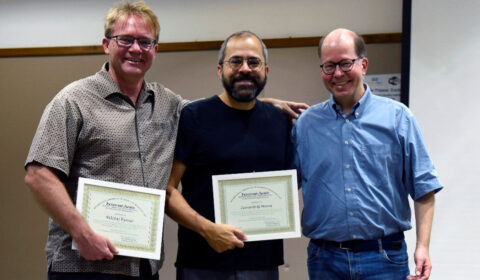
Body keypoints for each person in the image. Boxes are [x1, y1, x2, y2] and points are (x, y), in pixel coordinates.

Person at [23, 2, 307, 279]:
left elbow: (217, 112)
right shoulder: (73, 100)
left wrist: (264, 105)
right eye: (126, 40)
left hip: (144, 266)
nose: (136, 49)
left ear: (155, 50)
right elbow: (38, 175)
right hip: (84, 264)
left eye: (145, 42)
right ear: (106, 44)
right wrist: (81, 233)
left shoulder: (168, 103)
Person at [292, 28, 443, 280]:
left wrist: (423, 246)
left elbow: (424, 188)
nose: (337, 73)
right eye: (329, 66)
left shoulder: (398, 118)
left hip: (384, 259)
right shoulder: (306, 125)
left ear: (363, 64)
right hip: (325, 260)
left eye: (345, 63)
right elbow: (284, 185)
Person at [165, 31, 293, 280]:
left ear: (266, 70)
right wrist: (207, 229)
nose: (245, 69)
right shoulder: (194, 117)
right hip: (201, 265)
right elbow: (167, 190)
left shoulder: (280, 121)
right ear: (219, 70)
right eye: (235, 61)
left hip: (262, 265)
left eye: (253, 62)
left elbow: (287, 186)